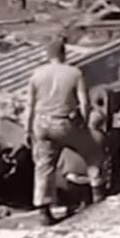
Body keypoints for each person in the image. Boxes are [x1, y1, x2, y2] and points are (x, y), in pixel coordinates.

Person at [23, 36, 105, 226]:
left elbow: (30, 106)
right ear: (64, 54)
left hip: (42, 125)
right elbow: (84, 102)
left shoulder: (36, 75)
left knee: (44, 166)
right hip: (65, 124)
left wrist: (27, 131)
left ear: (47, 55)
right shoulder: (74, 73)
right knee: (92, 150)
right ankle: (98, 195)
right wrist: (84, 124)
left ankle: (44, 212)